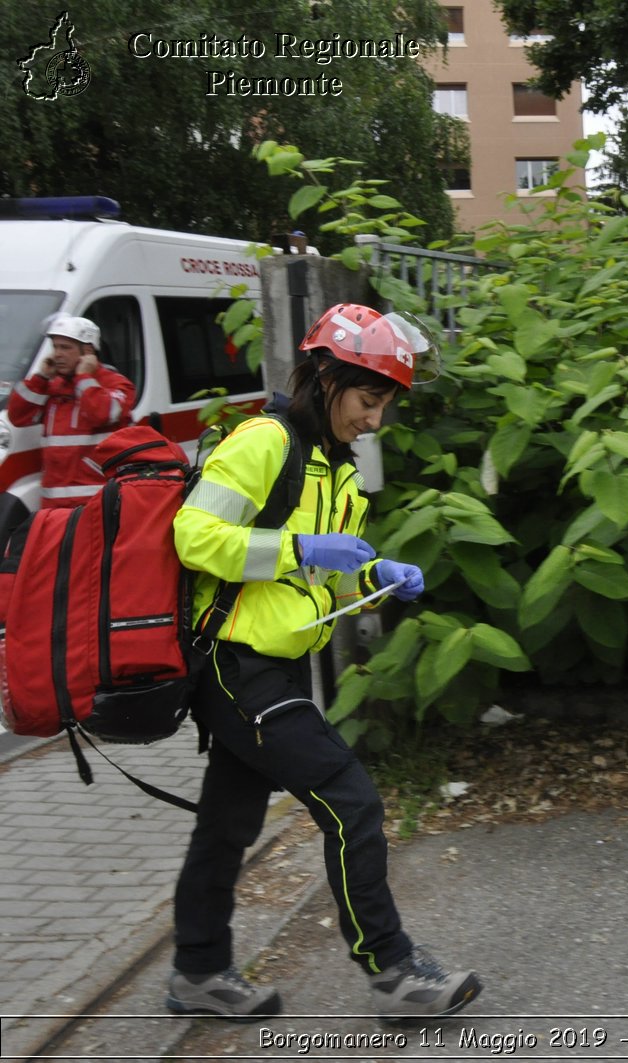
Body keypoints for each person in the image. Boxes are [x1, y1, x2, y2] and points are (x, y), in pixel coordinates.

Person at [165, 303, 482, 1022]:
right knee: (351, 800)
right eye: (368, 400)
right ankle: (394, 971)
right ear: (323, 378)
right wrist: (298, 549)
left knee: (228, 822)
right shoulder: (263, 442)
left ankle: (198, 970)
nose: (375, 420)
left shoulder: (332, 466)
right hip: (234, 662)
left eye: (384, 406)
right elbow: (193, 536)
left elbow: (331, 580)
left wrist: (374, 577)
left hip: (279, 664)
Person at [5, 314, 135, 508]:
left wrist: (83, 377)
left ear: (88, 351)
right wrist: (40, 377)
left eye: (65, 347)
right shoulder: (52, 386)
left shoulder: (115, 384)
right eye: (55, 347)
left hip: (98, 503)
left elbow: (102, 413)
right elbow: (18, 416)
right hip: (53, 506)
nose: (57, 354)